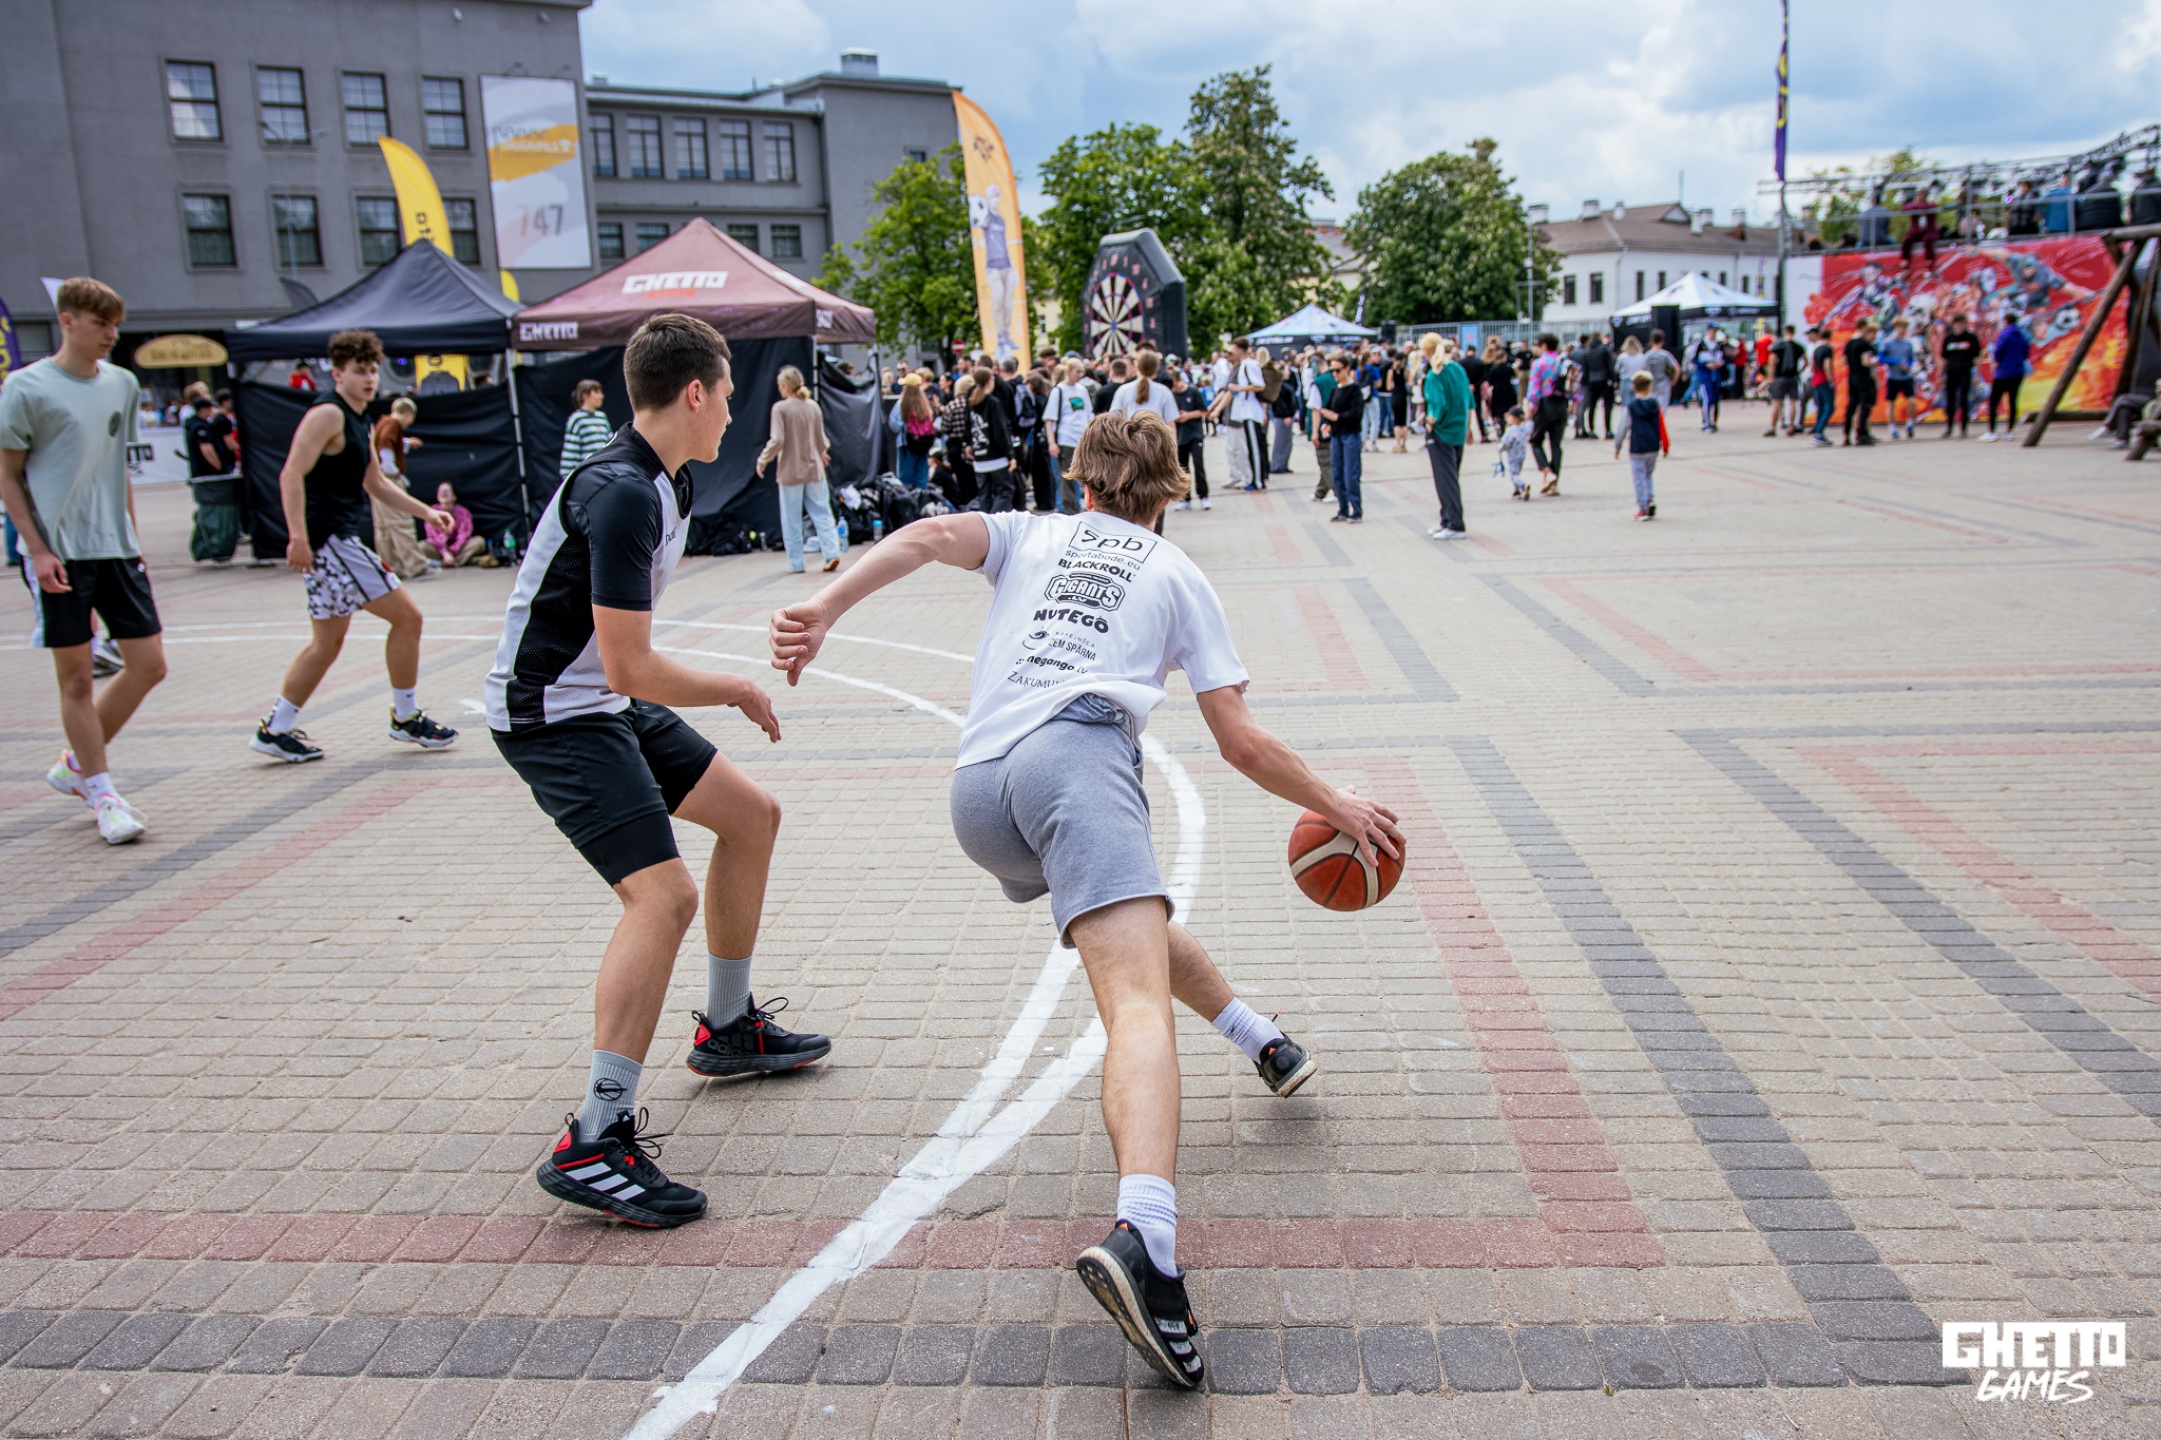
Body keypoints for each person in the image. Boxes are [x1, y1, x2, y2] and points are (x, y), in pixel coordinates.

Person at [768, 408, 1395, 1389]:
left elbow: (926, 535)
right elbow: (1238, 740)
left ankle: (1258, 1038)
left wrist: (823, 606)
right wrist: (1335, 802)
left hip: (980, 792)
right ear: (1169, 492)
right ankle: (1148, 1246)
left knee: (1129, 925)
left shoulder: (1030, 531)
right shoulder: (1178, 572)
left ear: (1082, 483)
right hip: (1075, 765)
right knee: (1134, 1005)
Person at [493, 313, 829, 1230]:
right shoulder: (619, 492)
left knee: (751, 816)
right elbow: (629, 665)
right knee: (661, 898)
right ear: (693, 393)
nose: (730, 411)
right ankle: (594, 1138)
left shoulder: (664, 480)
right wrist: (735, 687)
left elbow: (619, 673)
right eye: (726, 395)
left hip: (597, 701)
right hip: (552, 716)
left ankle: (727, 1029)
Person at [0, 276, 167, 845]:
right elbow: (8, 475)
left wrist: (134, 539)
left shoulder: (121, 383)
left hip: (115, 547)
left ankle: (76, 766)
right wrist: (38, 549)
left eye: (116, 325)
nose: (111, 334)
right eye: (101, 324)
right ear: (67, 320)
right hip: (59, 553)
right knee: (75, 679)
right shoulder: (26, 387)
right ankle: (102, 793)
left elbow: (115, 465)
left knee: (149, 664)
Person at [252, 329, 459, 763]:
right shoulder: (327, 414)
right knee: (408, 618)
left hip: (331, 541)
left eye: (372, 371)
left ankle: (275, 729)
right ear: (337, 373)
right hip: (331, 540)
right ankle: (405, 717)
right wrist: (297, 537)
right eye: (359, 371)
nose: (368, 379)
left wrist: (426, 512)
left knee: (325, 645)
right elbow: (290, 474)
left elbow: (375, 483)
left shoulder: (360, 417)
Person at [756, 365, 843, 574]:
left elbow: (778, 439)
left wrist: (763, 459)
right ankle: (832, 552)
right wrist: (820, 451)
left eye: (780, 385)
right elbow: (822, 440)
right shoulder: (813, 406)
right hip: (814, 468)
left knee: (791, 518)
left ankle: (796, 562)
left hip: (790, 471)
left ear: (785, 386)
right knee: (822, 513)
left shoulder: (780, 409)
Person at [371, 397, 440, 581]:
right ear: (408, 413)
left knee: (384, 527)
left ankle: (390, 567)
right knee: (401, 522)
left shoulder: (383, 422)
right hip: (389, 479)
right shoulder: (393, 424)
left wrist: (405, 443)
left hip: (376, 480)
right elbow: (385, 446)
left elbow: (382, 441)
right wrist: (394, 473)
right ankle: (417, 567)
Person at [183, 393, 242, 565]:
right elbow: (206, 449)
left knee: (208, 511)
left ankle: (205, 547)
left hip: (205, 475)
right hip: (208, 475)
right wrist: (219, 467)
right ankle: (210, 547)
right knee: (211, 513)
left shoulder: (196, 425)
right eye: (209, 408)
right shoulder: (200, 427)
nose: (211, 411)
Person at [1423, 338, 1471, 541]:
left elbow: (1438, 404)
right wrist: (1468, 426)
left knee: (1445, 479)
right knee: (1451, 477)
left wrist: (1430, 421)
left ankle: (1455, 523)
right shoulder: (1457, 369)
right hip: (1458, 429)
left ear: (1427, 351)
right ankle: (1446, 518)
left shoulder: (1435, 374)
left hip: (1442, 431)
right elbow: (1469, 399)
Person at [1615, 371, 1670, 521]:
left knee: (1638, 477)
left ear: (1633, 387)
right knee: (1648, 474)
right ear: (1650, 387)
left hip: (1637, 447)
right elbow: (1661, 426)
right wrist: (1665, 445)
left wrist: (1617, 447)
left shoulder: (1631, 407)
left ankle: (1643, 508)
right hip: (1652, 446)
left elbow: (1622, 428)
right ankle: (1650, 498)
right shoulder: (1655, 405)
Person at [1318, 353, 1365, 522]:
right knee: (1337, 472)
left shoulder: (1354, 389)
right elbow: (1329, 409)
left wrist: (1336, 417)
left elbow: (1355, 414)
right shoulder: (1335, 389)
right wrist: (1327, 423)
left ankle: (1356, 510)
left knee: (1351, 473)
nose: (1335, 374)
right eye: (1333, 371)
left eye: (1338, 370)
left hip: (1350, 434)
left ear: (1347, 369)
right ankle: (1343, 508)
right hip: (1337, 435)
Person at [1524, 335, 1571, 496]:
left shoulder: (1539, 363)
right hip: (1561, 404)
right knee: (1556, 444)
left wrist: (1531, 407)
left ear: (1544, 345)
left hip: (1545, 405)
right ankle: (1553, 482)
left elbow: (1534, 388)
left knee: (1536, 440)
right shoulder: (1564, 361)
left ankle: (1547, 472)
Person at [1223, 336, 1269, 490]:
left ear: (1240, 350)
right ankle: (1256, 479)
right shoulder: (1245, 365)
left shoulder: (1249, 364)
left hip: (1251, 412)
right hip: (1247, 412)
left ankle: (1257, 480)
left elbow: (1259, 385)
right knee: (1251, 446)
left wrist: (1239, 388)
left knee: (1254, 447)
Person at [1047, 359, 1091, 513]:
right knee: (1067, 477)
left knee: (1084, 476)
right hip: (1065, 439)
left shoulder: (1082, 390)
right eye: (1077, 371)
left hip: (1082, 439)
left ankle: (1080, 507)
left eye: (1082, 371)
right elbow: (1049, 419)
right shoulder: (1059, 391)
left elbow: (1088, 414)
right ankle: (1069, 510)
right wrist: (1052, 442)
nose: (1080, 375)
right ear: (1069, 371)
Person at [1977, 314, 2029, 442]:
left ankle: (1992, 431)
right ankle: (2009, 432)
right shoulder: (2022, 335)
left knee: (1994, 402)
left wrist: (1998, 361)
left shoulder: (2004, 334)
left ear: (2005, 321)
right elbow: (2026, 353)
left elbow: (1998, 353)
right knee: (2012, 401)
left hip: (2003, 372)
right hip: (2018, 372)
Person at [1169, 367, 1210, 511]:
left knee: (1198, 465)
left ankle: (1204, 496)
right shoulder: (1171, 395)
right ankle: (1185, 498)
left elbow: (1203, 411)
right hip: (1180, 436)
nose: (1175, 388)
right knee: (1183, 468)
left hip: (1195, 434)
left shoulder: (1193, 392)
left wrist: (1188, 415)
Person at [561, 378, 614, 481]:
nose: (601, 396)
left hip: (605, 473)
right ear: (585, 395)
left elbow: (610, 444)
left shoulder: (602, 417)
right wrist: (567, 477)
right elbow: (571, 450)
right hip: (587, 475)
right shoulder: (577, 419)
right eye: (597, 392)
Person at [425, 482, 488, 566]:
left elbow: (463, 536)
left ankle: (447, 563)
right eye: (441, 491)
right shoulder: (432, 511)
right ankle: (462, 561)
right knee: (422, 546)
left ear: (454, 497)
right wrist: (444, 552)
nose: (444, 493)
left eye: (447, 491)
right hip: (439, 549)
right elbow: (433, 536)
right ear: (437, 496)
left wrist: (451, 552)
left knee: (479, 542)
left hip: (459, 549)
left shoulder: (463, 512)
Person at [893, 374, 938, 490]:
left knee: (905, 479)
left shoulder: (902, 404)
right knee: (921, 478)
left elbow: (893, 425)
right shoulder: (924, 404)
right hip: (923, 445)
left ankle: (908, 499)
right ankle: (921, 498)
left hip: (906, 444)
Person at [1939, 314, 1981, 439]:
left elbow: (1977, 357)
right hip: (1951, 373)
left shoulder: (1971, 338)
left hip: (1965, 372)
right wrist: (1940, 376)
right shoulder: (1949, 338)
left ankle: (1963, 428)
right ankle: (1949, 428)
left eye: (1963, 323)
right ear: (1954, 325)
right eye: (1958, 324)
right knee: (1950, 400)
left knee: (1964, 399)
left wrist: (1977, 375)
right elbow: (1944, 359)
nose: (1960, 326)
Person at [1879, 317, 1921, 440]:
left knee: (1912, 401)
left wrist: (1907, 365)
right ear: (1895, 328)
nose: (1902, 330)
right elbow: (1881, 359)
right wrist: (1895, 361)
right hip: (1893, 377)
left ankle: (1910, 423)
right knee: (1891, 402)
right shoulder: (1888, 343)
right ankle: (1892, 428)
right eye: (1900, 327)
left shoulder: (1908, 343)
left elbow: (1911, 359)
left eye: (1904, 328)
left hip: (1906, 376)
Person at [1842, 318, 1881, 447]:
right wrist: (1875, 361)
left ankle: (1846, 433)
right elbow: (1866, 362)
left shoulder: (1849, 343)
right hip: (1864, 378)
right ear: (1864, 328)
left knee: (1852, 406)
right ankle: (1862, 434)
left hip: (1852, 377)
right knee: (1865, 406)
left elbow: (1844, 361)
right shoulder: (1864, 344)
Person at [1766, 325, 1806, 436]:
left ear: (1785, 331)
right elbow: (1806, 361)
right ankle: (1791, 426)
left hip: (1780, 377)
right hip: (1793, 377)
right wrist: (1799, 371)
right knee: (1793, 403)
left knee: (1777, 403)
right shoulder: (1798, 347)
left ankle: (1772, 428)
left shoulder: (1778, 346)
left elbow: (1772, 361)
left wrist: (1771, 376)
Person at [1687, 328, 1727, 433]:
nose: (1714, 332)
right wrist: (1705, 365)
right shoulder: (1701, 344)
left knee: (1715, 400)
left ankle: (1713, 422)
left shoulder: (1719, 345)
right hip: (1705, 376)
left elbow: (1725, 357)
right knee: (1707, 399)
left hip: (1716, 376)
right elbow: (1694, 359)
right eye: (1713, 330)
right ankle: (1706, 422)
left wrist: (1721, 363)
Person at [1580, 332, 1616, 440]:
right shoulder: (1604, 350)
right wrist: (1614, 380)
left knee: (1592, 406)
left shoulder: (1587, 352)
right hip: (1604, 379)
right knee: (1607, 406)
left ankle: (1591, 430)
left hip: (1592, 381)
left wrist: (1586, 381)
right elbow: (1610, 366)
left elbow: (1585, 369)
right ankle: (1608, 430)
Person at [1481, 337, 1517, 440]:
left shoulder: (1493, 369)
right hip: (1508, 390)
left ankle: (1501, 429)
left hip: (1498, 391)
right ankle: (1509, 428)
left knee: (1499, 412)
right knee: (1509, 410)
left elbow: (1490, 380)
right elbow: (1513, 377)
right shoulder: (1508, 368)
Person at [1807, 327, 1838, 447]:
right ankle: (1819, 431)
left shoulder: (1817, 349)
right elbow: (1827, 365)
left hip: (1816, 380)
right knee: (1830, 407)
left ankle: (1818, 432)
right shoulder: (1827, 349)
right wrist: (1831, 380)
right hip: (1824, 380)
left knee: (1820, 407)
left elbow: (1812, 366)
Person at [1494, 405, 1532, 500]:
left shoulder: (1510, 431)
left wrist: (1500, 448)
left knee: (1514, 475)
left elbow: (1505, 443)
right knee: (1517, 472)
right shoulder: (1524, 429)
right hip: (1522, 455)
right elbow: (1531, 425)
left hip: (1513, 457)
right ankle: (1516, 491)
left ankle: (1523, 486)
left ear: (1514, 418)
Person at [1643, 329, 1677, 410]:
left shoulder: (1646, 356)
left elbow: (1643, 370)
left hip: (1651, 384)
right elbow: (1677, 368)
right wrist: (1673, 382)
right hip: (1664, 384)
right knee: (1662, 408)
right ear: (1662, 341)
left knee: (1651, 407)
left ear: (1651, 340)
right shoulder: (1665, 355)